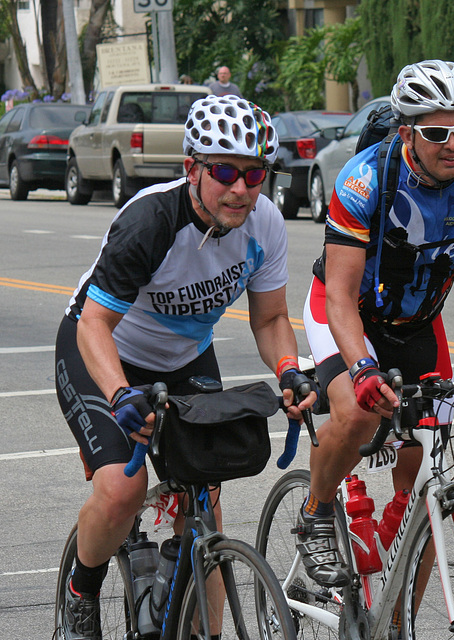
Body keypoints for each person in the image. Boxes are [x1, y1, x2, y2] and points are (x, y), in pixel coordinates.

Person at [55, 94, 316, 640]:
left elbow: (269, 320)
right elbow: (92, 325)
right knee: (123, 492)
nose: (242, 188)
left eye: (255, 174)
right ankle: (81, 593)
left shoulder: (264, 223)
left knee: (206, 508)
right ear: (191, 169)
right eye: (225, 171)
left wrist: (290, 370)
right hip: (105, 351)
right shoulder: (150, 220)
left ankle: (205, 632)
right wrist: (121, 394)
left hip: (185, 355)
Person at [298, 59, 454, 588]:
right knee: (357, 414)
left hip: (417, 324)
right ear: (409, 131)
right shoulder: (366, 179)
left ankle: (397, 606)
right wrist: (363, 367)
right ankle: (317, 512)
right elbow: (340, 295)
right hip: (345, 312)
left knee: (429, 473)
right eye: (438, 133)